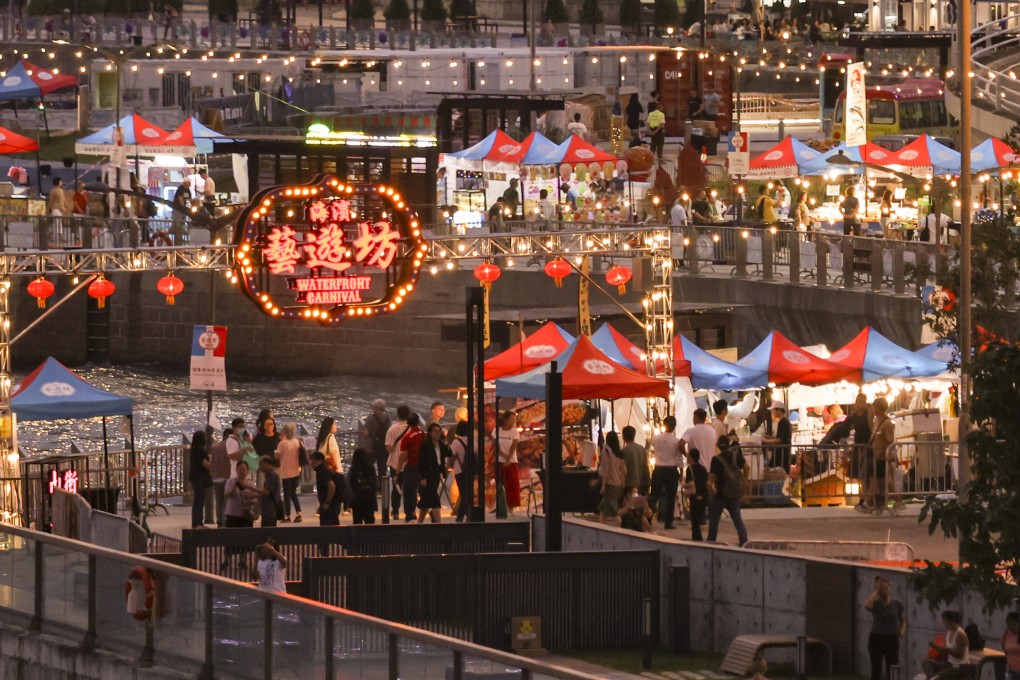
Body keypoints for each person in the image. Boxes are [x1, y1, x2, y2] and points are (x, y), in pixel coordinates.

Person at [707, 436, 749, 546]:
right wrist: (745, 481)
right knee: (737, 520)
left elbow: (711, 478)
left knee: (714, 521)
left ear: (718, 445)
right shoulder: (736, 456)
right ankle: (744, 541)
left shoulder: (716, 459)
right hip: (733, 493)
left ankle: (711, 541)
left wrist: (710, 489)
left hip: (720, 494)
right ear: (729, 444)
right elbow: (747, 467)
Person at [865, 576, 905, 680]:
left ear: (890, 588)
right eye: (882, 589)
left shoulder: (896, 604)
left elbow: (902, 620)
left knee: (893, 667)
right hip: (877, 638)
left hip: (892, 639)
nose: (884, 591)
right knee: (876, 667)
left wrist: (902, 630)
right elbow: (867, 605)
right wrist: (877, 591)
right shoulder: (876, 603)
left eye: (886, 588)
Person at [648, 416, 685, 529]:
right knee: (670, 497)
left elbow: (652, 446)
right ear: (674, 427)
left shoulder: (655, 438)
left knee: (654, 495)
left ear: (664, 425)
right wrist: (682, 471)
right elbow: (679, 457)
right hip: (671, 469)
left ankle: (648, 518)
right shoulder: (676, 441)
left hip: (658, 468)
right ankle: (668, 522)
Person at [922, 611, 973, 678]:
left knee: (940, 675)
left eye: (944, 621)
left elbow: (959, 655)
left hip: (960, 667)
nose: (944, 624)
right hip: (949, 665)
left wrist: (947, 650)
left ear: (950, 621)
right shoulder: (948, 633)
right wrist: (937, 648)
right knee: (926, 663)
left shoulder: (960, 634)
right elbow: (946, 653)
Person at [385, 405, 412, 520]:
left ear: (397, 414)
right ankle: (409, 512)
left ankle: (395, 511)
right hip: (410, 463)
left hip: (395, 463)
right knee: (410, 488)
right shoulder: (413, 428)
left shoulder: (392, 429)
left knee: (396, 486)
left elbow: (389, 448)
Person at [869, 397, 896, 514]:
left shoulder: (887, 423)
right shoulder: (876, 422)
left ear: (878, 408)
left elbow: (890, 441)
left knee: (881, 481)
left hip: (882, 457)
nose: (872, 409)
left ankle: (869, 503)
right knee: (881, 482)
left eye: (874, 406)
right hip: (876, 457)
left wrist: (887, 455)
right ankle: (878, 505)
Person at [417, 423, 448, 523]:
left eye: (439, 431)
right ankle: (439, 523)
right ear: (430, 432)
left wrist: (445, 442)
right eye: (435, 431)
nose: (437, 434)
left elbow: (449, 453)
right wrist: (423, 477)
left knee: (426, 500)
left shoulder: (441, 444)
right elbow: (421, 461)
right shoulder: (425, 444)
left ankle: (419, 522)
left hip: (436, 473)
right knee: (434, 498)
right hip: (427, 474)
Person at [275, 422, 303, 523]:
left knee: (287, 494)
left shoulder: (282, 444)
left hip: (286, 472)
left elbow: (276, 456)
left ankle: (287, 515)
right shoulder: (297, 442)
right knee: (293, 493)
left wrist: (281, 442)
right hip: (296, 470)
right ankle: (299, 513)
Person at [495, 411, 522, 513]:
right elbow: (495, 446)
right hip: (499, 460)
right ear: (505, 420)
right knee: (500, 483)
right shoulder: (497, 431)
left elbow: (514, 446)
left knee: (512, 484)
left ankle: (512, 507)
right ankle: (501, 506)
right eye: (511, 419)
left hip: (512, 461)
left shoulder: (515, 432)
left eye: (514, 419)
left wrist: (508, 459)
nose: (513, 421)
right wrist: (503, 456)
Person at [399, 413, 424, 521]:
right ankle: (427, 509)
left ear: (408, 423)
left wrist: (397, 471)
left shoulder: (407, 437)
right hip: (424, 467)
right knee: (424, 490)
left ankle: (410, 513)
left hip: (412, 467)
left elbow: (403, 456)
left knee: (409, 491)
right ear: (418, 422)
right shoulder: (425, 434)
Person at [597, 432, 627, 521]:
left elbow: (605, 470)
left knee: (614, 511)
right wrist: (623, 483)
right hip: (617, 483)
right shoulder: (618, 452)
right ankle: (601, 526)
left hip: (609, 484)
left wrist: (603, 485)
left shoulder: (606, 451)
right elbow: (624, 470)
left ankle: (619, 527)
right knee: (603, 509)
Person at [682, 448, 709, 541]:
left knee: (694, 519)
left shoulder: (690, 469)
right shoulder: (703, 468)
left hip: (695, 495)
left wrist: (683, 485)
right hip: (704, 495)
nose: (687, 456)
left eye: (688, 455)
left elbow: (691, 483)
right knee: (698, 517)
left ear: (691, 457)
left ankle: (697, 538)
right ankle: (698, 537)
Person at [223, 460, 259, 530]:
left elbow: (256, 498)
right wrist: (233, 489)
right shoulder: (230, 482)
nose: (242, 471)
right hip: (232, 514)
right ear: (236, 470)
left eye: (244, 469)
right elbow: (226, 494)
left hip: (246, 514)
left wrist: (251, 501)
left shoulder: (250, 483)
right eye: (240, 469)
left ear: (247, 471)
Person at [310, 451, 344, 526]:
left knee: (327, 529)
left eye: (313, 460)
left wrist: (327, 503)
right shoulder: (325, 470)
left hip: (330, 506)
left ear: (320, 460)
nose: (311, 463)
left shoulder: (322, 472)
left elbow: (332, 486)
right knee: (334, 527)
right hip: (334, 505)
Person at [361, 399, 391, 483]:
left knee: (369, 467)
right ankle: (382, 487)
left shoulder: (370, 418)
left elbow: (366, 433)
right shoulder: (388, 418)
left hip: (372, 447)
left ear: (376, 408)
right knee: (382, 469)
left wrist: (364, 432)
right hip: (383, 447)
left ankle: (371, 484)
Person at [207, 428, 232, 527]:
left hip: (217, 478)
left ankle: (219, 520)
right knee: (227, 501)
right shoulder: (231, 447)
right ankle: (224, 520)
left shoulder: (215, 447)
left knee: (219, 501)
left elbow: (212, 463)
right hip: (227, 477)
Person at [347, 447, 378, 524]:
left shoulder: (353, 469)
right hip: (369, 499)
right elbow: (374, 483)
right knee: (370, 521)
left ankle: (359, 536)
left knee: (357, 521)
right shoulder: (370, 468)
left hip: (357, 500)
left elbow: (350, 484)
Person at [188, 430, 211, 529]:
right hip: (200, 478)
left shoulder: (194, 449)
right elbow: (205, 464)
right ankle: (197, 522)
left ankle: (197, 522)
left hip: (195, 477)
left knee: (198, 500)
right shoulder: (200, 450)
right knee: (199, 501)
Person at [761, 401, 792, 472]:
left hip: (782, 453)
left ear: (779, 410)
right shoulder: (785, 421)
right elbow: (780, 437)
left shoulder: (783, 422)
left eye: (773, 410)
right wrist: (769, 437)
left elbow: (780, 440)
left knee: (780, 472)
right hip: (783, 452)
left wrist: (765, 440)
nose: (772, 412)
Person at [450, 421, 472, 522]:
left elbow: (452, 456)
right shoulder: (473, 441)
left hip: (459, 470)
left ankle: (466, 515)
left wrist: (447, 466)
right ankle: (461, 515)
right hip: (470, 470)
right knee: (466, 493)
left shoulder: (456, 442)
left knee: (463, 494)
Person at [621, 426, 649, 495]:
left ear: (623, 437)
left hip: (628, 484)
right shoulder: (641, 449)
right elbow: (645, 467)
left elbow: (622, 469)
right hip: (641, 483)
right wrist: (648, 482)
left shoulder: (624, 451)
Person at [258, 455, 283, 528]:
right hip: (267, 510)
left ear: (266, 463)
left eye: (261, 465)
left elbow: (267, 492)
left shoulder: (272, 475)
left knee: (268, 532)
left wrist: (251, 488)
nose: (260, 468)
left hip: (270, 510)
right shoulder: (269, 475)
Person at [1000, 612, 1020, 680]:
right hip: (1010, 670)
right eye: (1009, 625)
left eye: (1013, 624)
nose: (1011, 627)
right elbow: (1004, 648)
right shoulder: (1006, 633)